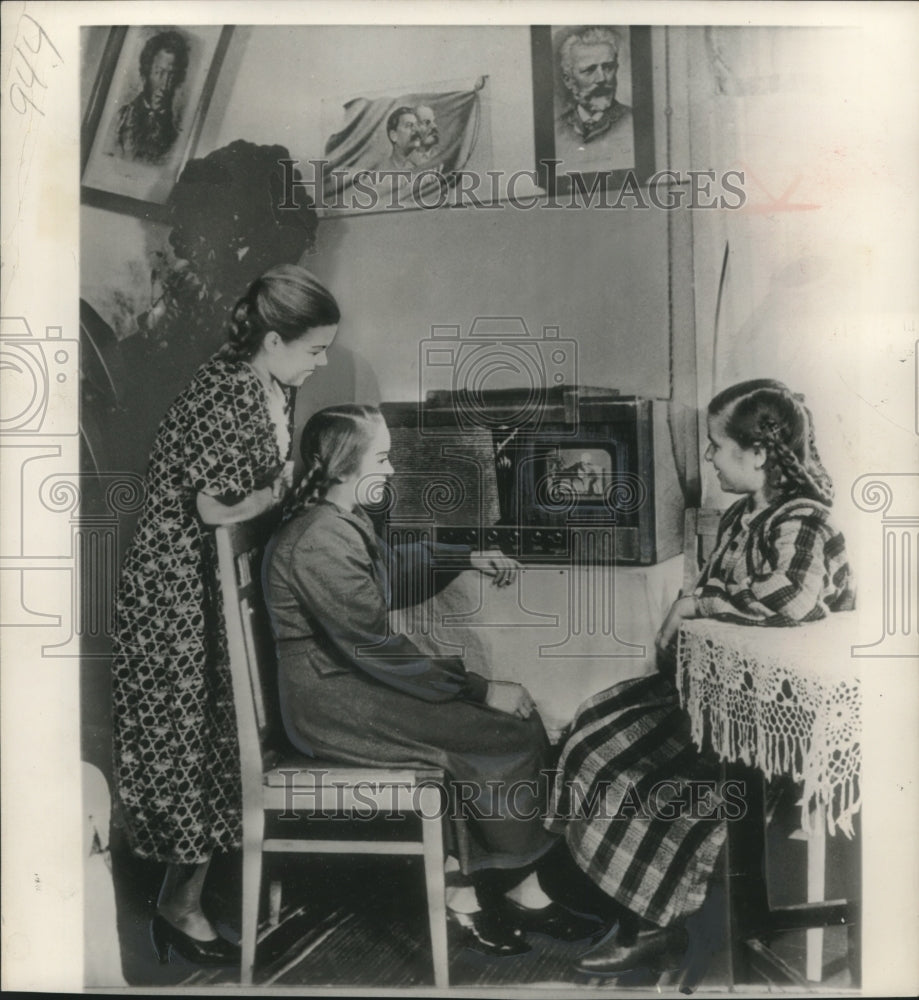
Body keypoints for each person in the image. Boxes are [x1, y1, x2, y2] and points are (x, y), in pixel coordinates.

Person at [545, 379, 855, 977]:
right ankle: (615, 906)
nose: (708, 457)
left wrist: (694, 604)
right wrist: (694, 609)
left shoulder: (805, 520)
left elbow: (791, 599)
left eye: (716, 445)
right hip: (718, 700)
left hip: (774, 725)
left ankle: (653, 925)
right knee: (591, 732)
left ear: (759, 453)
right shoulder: (744, 515)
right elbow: (721, 592)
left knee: (647, 779)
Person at [265, 405, 602, 956]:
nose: (393, 470)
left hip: (347, 684)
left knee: (493, 726)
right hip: (331, 704)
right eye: (383, 457)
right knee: (504, 728)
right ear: (348, 465)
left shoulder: (337, 523)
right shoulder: (319, 541)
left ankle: (496, 892)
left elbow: (390, 573)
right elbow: (378, 648)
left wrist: (465, 554)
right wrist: (478, 687)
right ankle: (503, 893)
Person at [111, 264, 340, 966]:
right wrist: (279, 496)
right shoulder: (225, 390)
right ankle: (177, 908)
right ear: (273, 340)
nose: (323, 360)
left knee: (219, 743)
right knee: (193, 747)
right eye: (314, 349)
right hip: (173, 595)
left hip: (207, 585)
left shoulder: (269, 384)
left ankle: (186, 901)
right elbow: (214, 507)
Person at [554, 27, 634, 172]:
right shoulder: (557, 129)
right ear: (568, 80)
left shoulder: (633, 122)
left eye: (608, 67)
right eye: (589, 70)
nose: (602, 78)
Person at [115, 30, 189, 164]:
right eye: (159, 72)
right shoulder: (121, 118)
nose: (165, 84)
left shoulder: (178, 135)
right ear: (145, 74)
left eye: (172, 76)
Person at [380, 105, 422, 172]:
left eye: (417, 126)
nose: (416, 130)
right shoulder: (380, 170)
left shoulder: (421, 169)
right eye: (409, 126)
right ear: (394, 136)